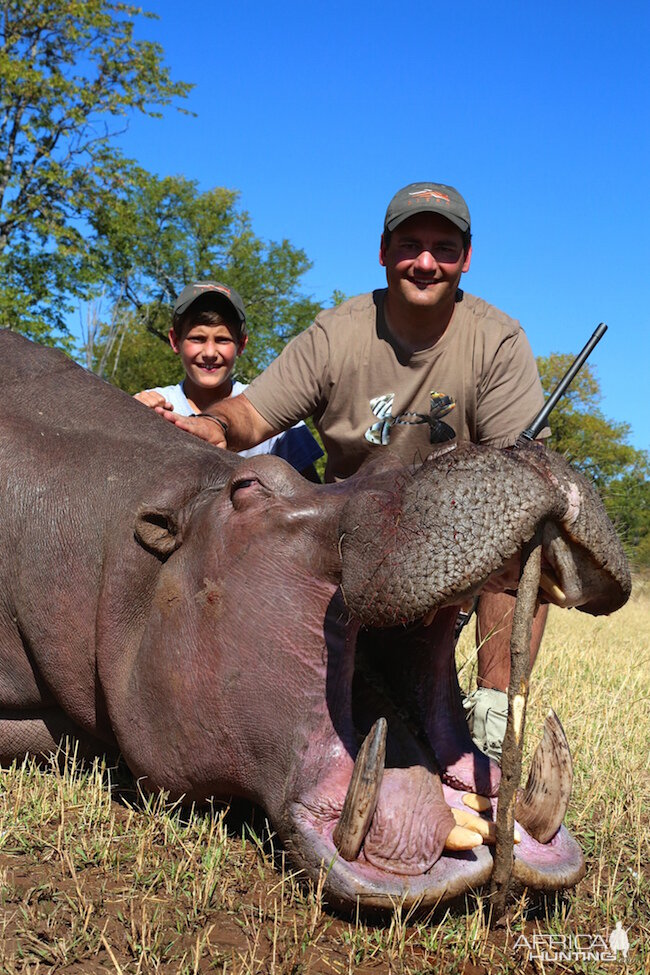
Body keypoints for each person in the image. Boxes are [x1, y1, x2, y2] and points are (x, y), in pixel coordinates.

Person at [155, 184, 550, 760]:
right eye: (410, 244)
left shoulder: (499, 341)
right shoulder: (335, 332)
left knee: (527, 532)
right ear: (384, 252)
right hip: (349, 532)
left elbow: (516, 469)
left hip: (453, 531)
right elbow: (255, 411)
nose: (425, 261)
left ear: (466, 259)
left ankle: (491, 719)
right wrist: (215, 426)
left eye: (443, 248)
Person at [134, 280, 322, 481]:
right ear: (175, 340)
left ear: (241, 345)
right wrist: (130, 416)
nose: (209, 353)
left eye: (223, 340)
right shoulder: (156, 408)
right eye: (197, 339)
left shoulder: (271, 409)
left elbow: (308, 492)